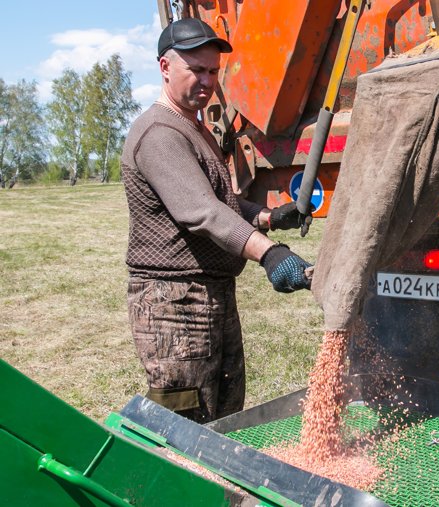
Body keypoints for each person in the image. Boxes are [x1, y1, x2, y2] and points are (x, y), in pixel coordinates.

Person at [121, 18, 312, 423]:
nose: (207, 82)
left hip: (212, 295)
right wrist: (270, 254)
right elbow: (201, 211)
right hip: (174, 303)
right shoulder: (159, 133)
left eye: (213, 71)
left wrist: (270, 217)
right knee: (183, 426)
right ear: (165, 67)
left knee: (225, 417)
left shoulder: (195, 127)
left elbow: (219, 200)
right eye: (196, 70)